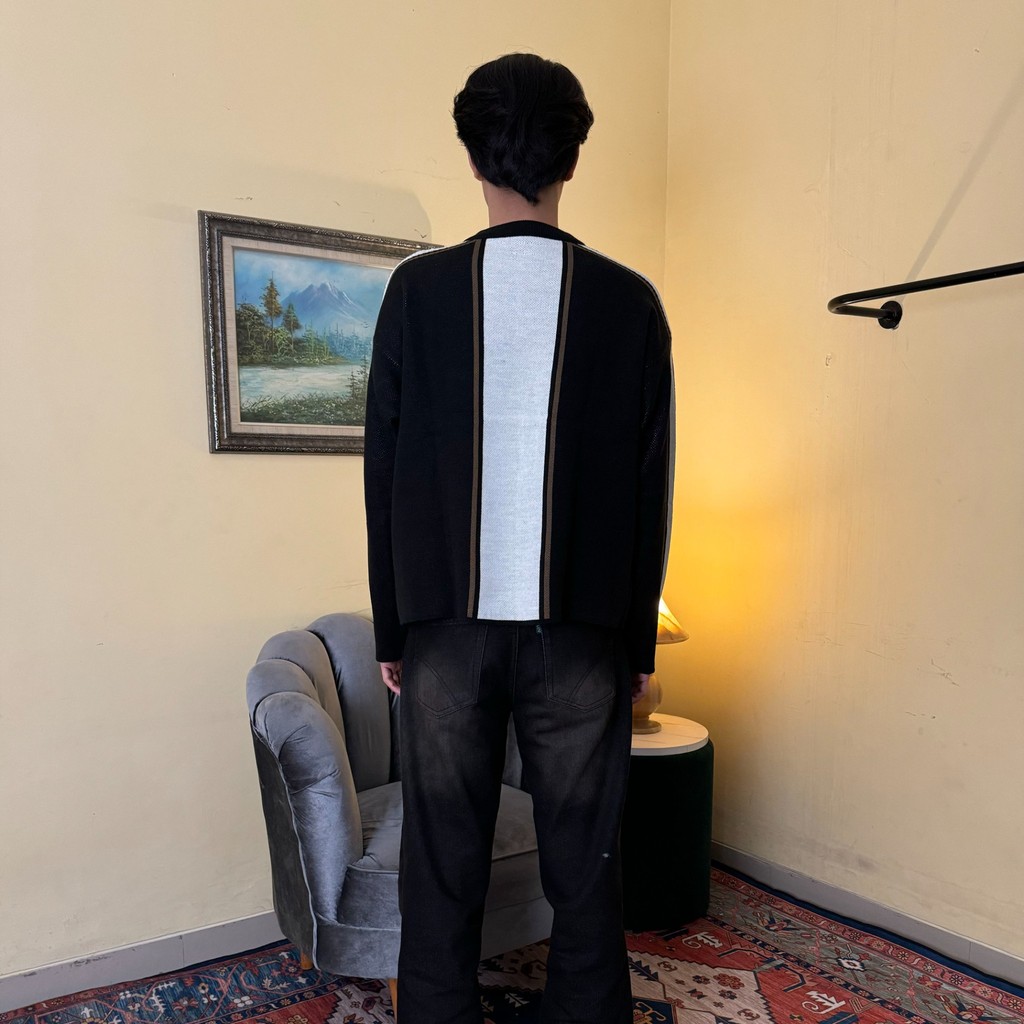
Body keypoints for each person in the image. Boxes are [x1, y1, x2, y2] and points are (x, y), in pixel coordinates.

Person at [363, 52, 674, 1024]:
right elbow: (650, 487)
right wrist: (635, 642)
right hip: (580, 631)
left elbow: (383, 474)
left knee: (440, 858)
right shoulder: (628, 300)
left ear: (471, 154)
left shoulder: (417, 292)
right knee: (586, 861)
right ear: (574, 156)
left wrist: (392, 629)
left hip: (444, 629)